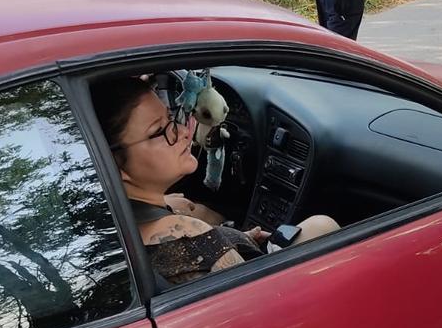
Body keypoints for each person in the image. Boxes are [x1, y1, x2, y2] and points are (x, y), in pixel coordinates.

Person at [92, 77, 339, 285]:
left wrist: (237, 239)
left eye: (171, 118)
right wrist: (217, 243)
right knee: (322, 225)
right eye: (159, 131)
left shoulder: (111, 222)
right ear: (112, 163)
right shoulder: (190, 238)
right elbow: (259, 304)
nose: (185, 132)